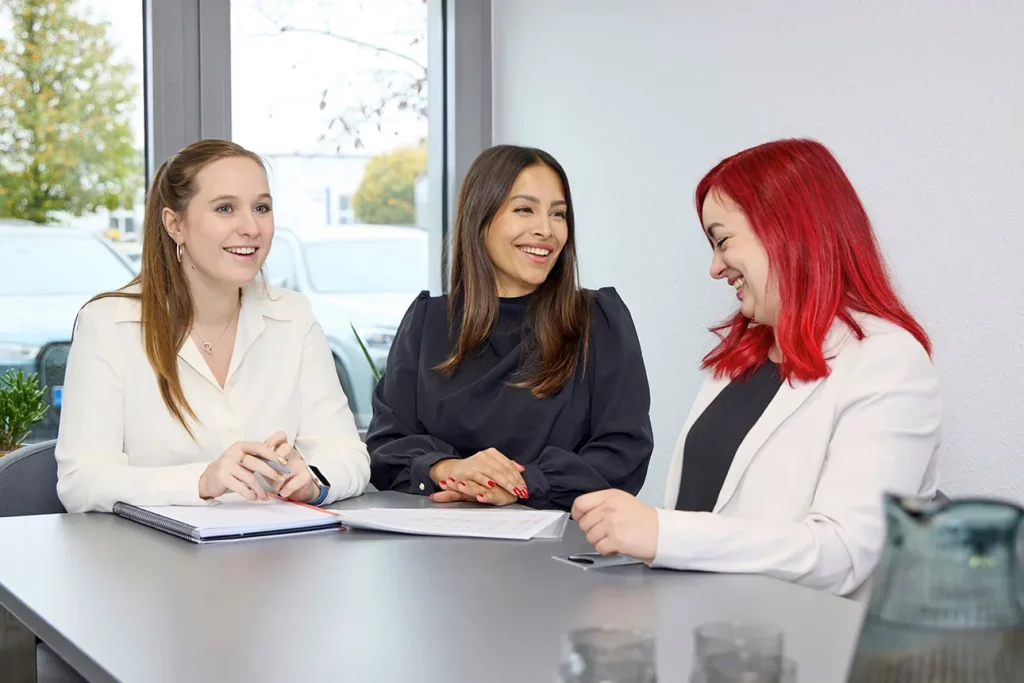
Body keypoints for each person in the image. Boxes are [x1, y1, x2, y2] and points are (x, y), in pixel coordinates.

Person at [572, 138, 941, 599]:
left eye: (722, 240)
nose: (714, 267)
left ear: (787, 227)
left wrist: (663, 534)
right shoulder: (741, 358)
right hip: (707, 624)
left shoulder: (888, 361)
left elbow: (844, 553)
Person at [56, 140, 370, 513]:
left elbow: (349, 456)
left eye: (261, 208)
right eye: (225, 208)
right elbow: (81, 481)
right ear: (175, 224)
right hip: (149, 562)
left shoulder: (293, 316)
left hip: (276, 558)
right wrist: (202, 481)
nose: (251, 227)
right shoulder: (109, 323)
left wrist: (312, 481)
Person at [366, 144, 654, 511]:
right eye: (524, 210)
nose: (546, 230)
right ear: (480, 218)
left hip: (559, 550)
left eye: (558, 214)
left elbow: (623, 454)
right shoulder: (428, 322)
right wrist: (449, 469)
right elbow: (386, 446)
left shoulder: (598, 321)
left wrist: (521, 484)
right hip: (438, 549)